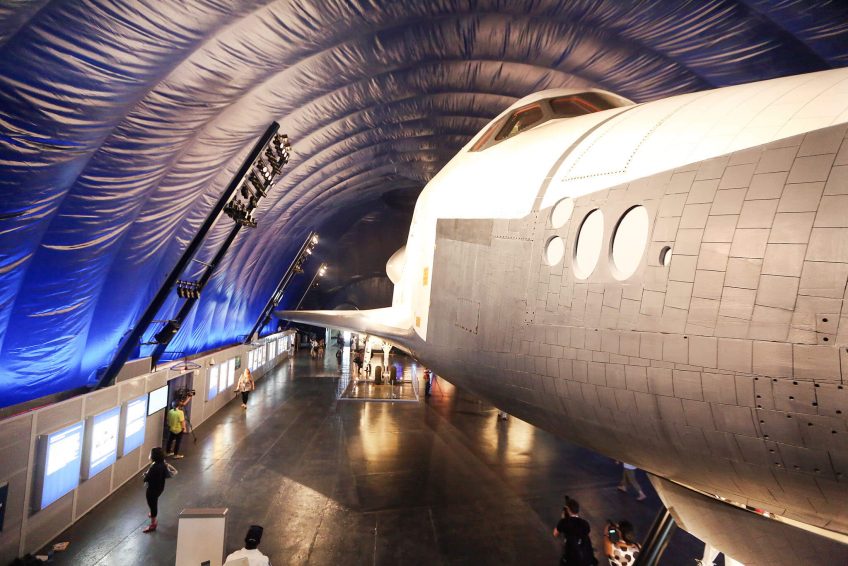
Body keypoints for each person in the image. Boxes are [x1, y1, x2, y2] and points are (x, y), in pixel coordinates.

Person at [553, 496, 598, 565]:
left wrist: (563, 518)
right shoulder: (585, 523)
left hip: (572, 558)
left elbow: (555, 533)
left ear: (567, 510)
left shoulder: (564, 522)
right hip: (587, 558)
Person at [142, 447, 176, 533]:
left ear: (154, 456)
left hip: (152, 490)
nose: (149, 455)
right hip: (160, 487)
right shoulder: (163, 464)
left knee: (152, 504)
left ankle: (153, 523)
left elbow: (146, 479)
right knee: (154, 502)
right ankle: (152, 514)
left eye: (151, 454)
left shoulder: (154, 467)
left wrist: (145, 475)